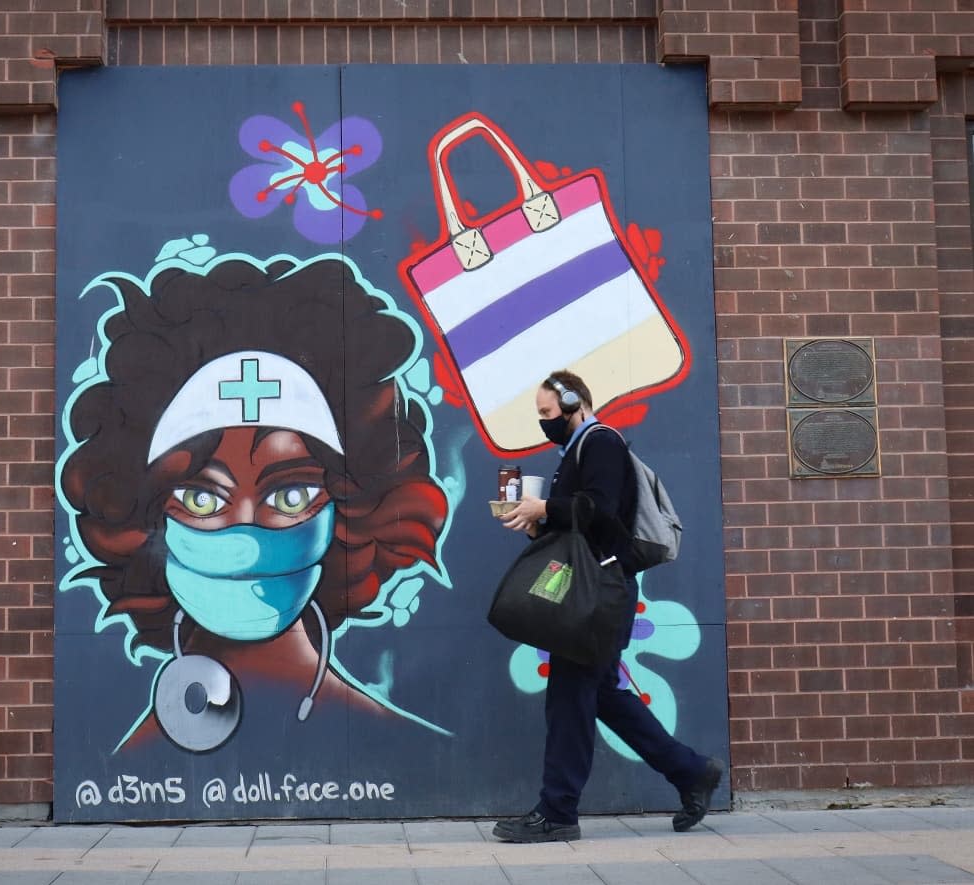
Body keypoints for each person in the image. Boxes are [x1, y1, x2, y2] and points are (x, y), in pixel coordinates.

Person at [60, 255, 448, 752]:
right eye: (201, 498)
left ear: (348, 510)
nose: (246, 538)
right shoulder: (128, 762)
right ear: (143, 513)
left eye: (291, 495)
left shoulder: (403, 745)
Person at [493, 370, 723, 842]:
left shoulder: (600, 443)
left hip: (598, 593)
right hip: (598, 589)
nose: (544, 423)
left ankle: (557, 813)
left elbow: (599, 506)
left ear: (575, 402)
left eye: (548, 413)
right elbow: (585, 521)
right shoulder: (578, 449)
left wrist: (546, 510)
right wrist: (536, 519)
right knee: (598, 696)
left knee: (568, 699)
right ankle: (692, 772)